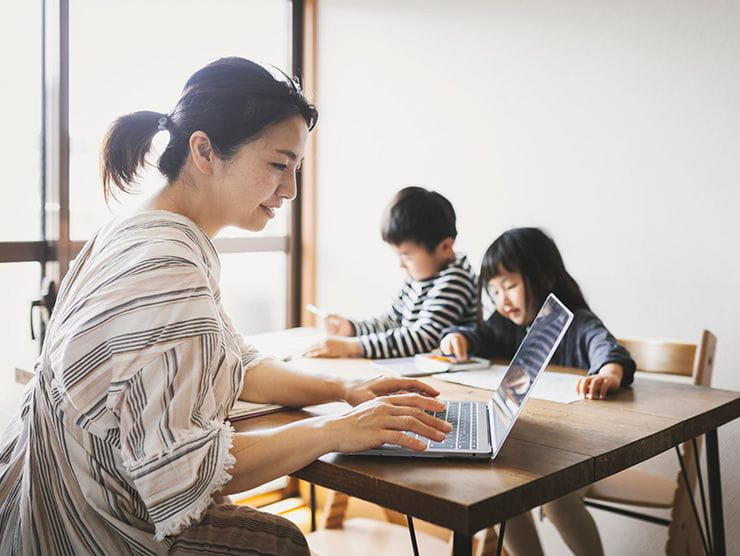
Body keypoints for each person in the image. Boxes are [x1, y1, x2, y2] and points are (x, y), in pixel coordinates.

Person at [0, 57, 452, 555]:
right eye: (278, 164)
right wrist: (337, 430)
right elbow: (183, 471)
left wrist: (347, 388)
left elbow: (239, 362)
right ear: (204, 151)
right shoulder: (165, 267)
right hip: (89, 530)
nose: (291, 189)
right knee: (280, 542)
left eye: (296, 169)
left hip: (44, 501)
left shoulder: (144, 231)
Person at [440, 227, 636, 556]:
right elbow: (478, 336)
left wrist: (608, 374)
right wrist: (457, 338)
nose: (502, 299)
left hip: (577, 448)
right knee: (499, 498)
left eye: (511, 286)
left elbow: (607, 348)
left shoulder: (577, 323)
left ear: (544, 278)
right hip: (530, 445)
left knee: (558, 502)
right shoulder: (506, 326)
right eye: (495, 290)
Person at [304, 186, 477, 359]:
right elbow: (393, 322)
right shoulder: (417, 278)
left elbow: (423, 338)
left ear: (445, 247)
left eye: (407, 256)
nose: (401, 265)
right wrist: (351, 328)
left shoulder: (456, 279)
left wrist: (353, 346)